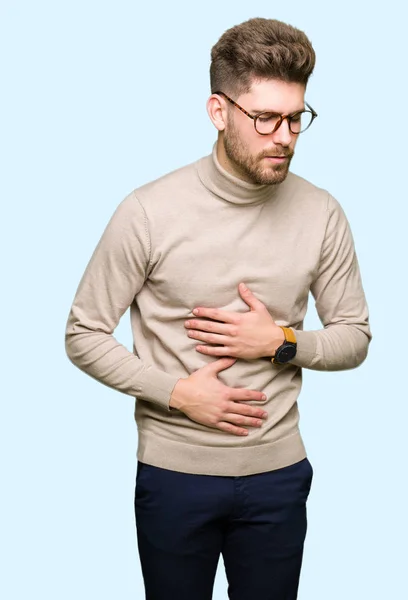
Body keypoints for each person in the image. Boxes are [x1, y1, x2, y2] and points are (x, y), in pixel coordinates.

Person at [65, 17, 371, 600]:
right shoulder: (148, 212)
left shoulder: (322, 212)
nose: (283, 137)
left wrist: (280, 342)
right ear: (218, 111)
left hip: (279, 477)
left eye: (296, 118)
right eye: (265, 119)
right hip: (174, 476)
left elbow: (355, 335)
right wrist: (178, 394)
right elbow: (83, 333)